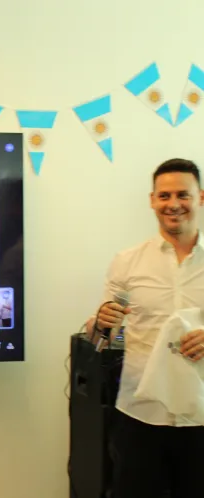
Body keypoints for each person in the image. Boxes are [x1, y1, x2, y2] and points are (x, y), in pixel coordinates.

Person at [85, 158, 204, 498]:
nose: (173, 204)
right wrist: (100, 323)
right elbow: (100, 338)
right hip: (140, 415)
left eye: (183, 194)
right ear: (152, 200)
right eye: (164, 196)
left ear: (200, 197)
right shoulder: (127, 261)